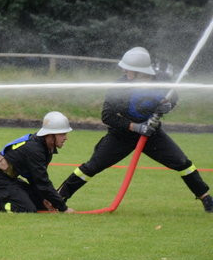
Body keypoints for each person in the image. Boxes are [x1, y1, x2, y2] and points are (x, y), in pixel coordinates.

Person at [58, 47, 212, 212]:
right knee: (92, 167)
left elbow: (173, 96)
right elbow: (107, 116)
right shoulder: (119, 87)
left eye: (128, 68)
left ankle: (206, 199)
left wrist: (168, 106)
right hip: (121, 136)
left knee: (183, 163)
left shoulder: (161, 80)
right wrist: (136, 127)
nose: (124, 70)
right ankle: (57, 198)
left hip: (152, 135)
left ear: (140, 71)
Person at [0, 111, 74, 213]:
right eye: (62, 134)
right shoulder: (35, 149)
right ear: (50, 135)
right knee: (26, 209)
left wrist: (45, 198)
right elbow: (42, 182)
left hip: (11, 180)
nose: (66, 138)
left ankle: (0, 195)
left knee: (42, 204)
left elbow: (35, 179)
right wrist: (63, 208)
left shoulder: (45, 147)